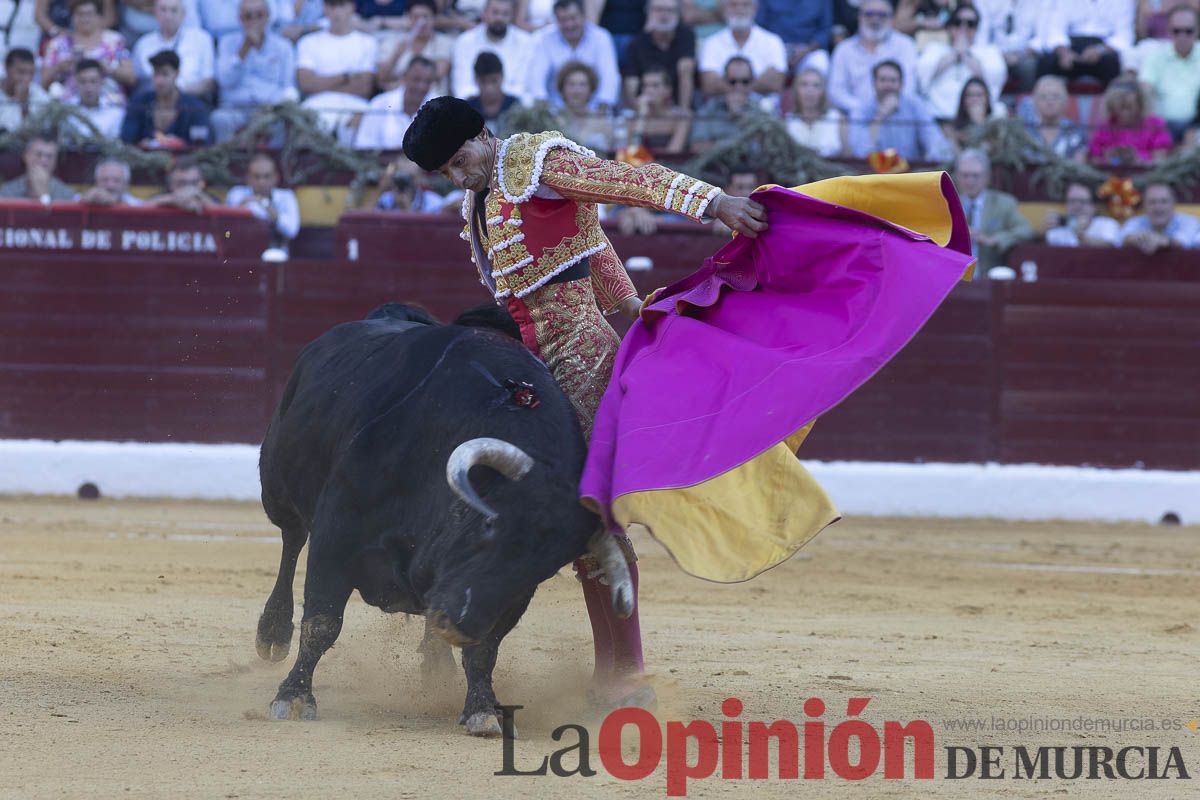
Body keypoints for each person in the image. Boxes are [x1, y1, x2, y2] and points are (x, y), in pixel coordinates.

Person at [400, 95, 767, 710]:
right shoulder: (481, 196)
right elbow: (588, 243)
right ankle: (451, 626)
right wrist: (630, 307)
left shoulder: (537, 162)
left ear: (485, 136)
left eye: (460, 161)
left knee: (593, 518)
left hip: (581, 365)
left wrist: (714, 205)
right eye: (446, 173)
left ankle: (623, 672)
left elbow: (631, 182)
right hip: (526, 369)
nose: (457, 177)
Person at [213, 0, 297, 143]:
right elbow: (224, 81)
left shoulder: (283, 47)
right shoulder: (226, 43)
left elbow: (289, 87)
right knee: (219, 119)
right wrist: (243, 50)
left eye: (259, 15)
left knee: (283, 121)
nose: (254, 21)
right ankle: (223, 163)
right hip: (234, 108)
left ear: (268, 17)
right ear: (240, 18)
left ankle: (277, 163)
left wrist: (273, 109)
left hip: (270, 109)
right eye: (248, 16)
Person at [296, 0, 378, 145]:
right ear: (325, 9)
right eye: (332, 6)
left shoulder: (368, 42)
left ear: (352, 8)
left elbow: (364, 88)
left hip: (355, 106)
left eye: (342, 5)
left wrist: (320, 82)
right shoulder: (308, 42)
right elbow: (306, 84)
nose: (337, 12)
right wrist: (346, 77)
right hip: (316, 106)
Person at [847, 59, 952, 162]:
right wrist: (879, 116)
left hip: (910, 173)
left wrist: (933, 158)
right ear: (874, 83)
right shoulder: (861, 109)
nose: (888, 85)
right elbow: (860, 151)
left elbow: (934, 141)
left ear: (902, 84)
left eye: (893, 80)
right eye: (883, 80)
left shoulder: (915, 105)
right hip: (873, 174)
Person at [915, 3, 1006, 122]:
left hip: (977, 119)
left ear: (977, 29)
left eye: (970, 24)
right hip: (937, 116)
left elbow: (990, 85)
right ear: (950, 27)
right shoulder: (934, 49)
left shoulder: (990, 52)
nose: (964, 28)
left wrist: (966, 56)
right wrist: (954, 54)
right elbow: (923, 79)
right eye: (958, 22)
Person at [524, 0, 620, 108]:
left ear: (583, 16)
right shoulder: (544, 38)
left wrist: (602, 108)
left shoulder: (601, 38)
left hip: (594, 111)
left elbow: (609, 77)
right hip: (554, 112)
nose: (569, 25)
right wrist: (543, 110)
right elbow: (536, 79)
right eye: (563, 20)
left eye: (573, 18)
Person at [827, 0, 918, 114]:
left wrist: (888, 107)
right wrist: (863, 110)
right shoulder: (844, 50)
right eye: (869, 14)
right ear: (859, 17)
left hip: (897, 114)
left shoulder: (905, 45)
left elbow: (909, 87)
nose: (875, 19)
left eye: (882, 15)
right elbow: (836, 91)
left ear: (891, 19)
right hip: (854, 116)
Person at [41, 0, 137, 106]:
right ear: (72, 17)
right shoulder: (58, 44)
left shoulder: (115, 41)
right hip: (68, 106)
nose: (84, 19)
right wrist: (59, 68)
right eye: (80, 14)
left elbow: (131, 78)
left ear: (99, 17)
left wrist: (107, 68)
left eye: (89, 14)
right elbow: (43, 83)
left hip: (110, 104)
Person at [954, 147, 1033, 273]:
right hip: (955, 276)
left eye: (975, 175)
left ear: (987, 178)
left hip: (989, 277)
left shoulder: (1003, 203)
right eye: (965, 175)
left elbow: (1026, 230)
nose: (970, 181)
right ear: (957, 176)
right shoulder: (948, 204)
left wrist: (994, 240)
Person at [120, 49, 212, 146]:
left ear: (176, 74)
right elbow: (126, 140)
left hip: (185, 159)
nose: (159, 81)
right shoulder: (139, 103)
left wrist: (180, 145)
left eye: (165, 74)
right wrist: (141, 144)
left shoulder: (195, 107)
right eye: (156, 74)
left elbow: (203, 146)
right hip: (144, 159)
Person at [698, 0, 787, 97]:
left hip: (764, 108)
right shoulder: (711, 43)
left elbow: (776, 82)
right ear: (724, 9)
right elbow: (709, 85)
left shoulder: (772, 42)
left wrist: (734, 89)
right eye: (733, 4)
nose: (739, 9)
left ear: (755, 9)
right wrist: (751, 87)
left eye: (746, 4)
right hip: (721, 108)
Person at [1138, 4, 1200, 142]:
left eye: (1188, 31)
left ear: (1198, 31)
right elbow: (1145, 90)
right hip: (1161, 127)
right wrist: (1152, 127)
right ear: (1169, 31)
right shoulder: (1155, 56)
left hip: (1196, 126)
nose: (1182, 36)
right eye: (1176, 31)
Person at [1035, 0, 1132, 85]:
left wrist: (1100, 50)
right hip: (1070, 46)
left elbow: (1124, 35)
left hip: (1104, 48)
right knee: (1046, 62)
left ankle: (1111, 104)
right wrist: (1064, 52)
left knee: (1112, 63)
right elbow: (1055, 29)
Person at [621, 0, 696, 110]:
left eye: (670, 10)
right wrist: (638, 109)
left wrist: (683, 111)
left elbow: (686, 70)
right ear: (648, 12)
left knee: (685, 67)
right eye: (658, 10)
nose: (664, 15)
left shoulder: (686, 36)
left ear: (678, 14)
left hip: (676, 104)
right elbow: (631, 83)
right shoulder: (636, 44)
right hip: (646, 103)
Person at [131, 0, 214, 99]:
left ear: (183, 14)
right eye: (163, 10)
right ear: (155, 12)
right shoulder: (143, 44)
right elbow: (136, 81)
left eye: (173, 10)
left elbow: (209, 82)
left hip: (190, 102)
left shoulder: (201, 39)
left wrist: (175, 93)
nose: (168, 16)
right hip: (152, 103)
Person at [451, 0, 532, 100]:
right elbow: (462, 87)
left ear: (512, 16)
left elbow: (523, 86)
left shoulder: (525, 42)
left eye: (505, 14)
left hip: (513, 106)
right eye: (495, 13)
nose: (499, 18)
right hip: (473, 105)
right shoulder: (465, 41)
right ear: (484, 14)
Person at [355, 56, 436, 149]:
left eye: (427, 82)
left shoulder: (438, 108)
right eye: (416, 80)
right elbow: (365, 145)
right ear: (404, 77)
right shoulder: (380, 103)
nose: (422, 86)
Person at [227, 153, 300, 253]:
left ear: (276, 177)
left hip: (274, 252)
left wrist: (263, 203)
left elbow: (291, 230)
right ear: (248, 178)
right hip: (241, 251)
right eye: (257, 176)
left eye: (267, 176)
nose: (261, 182)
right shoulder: (236, 193)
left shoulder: (286, 196)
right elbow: (230, 225)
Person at [376, 0, 454, 94]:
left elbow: (439, 72)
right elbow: (381, 77)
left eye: (425, 17)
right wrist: (396, 55)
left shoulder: (444, 42)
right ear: (408, 18)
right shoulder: (393, 41)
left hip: (432, 99)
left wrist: (399, 84)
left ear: (434, 19)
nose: (421, 22)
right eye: (416, 17)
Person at [1087, 79, 1172, 165]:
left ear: (1140, 104)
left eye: (1129, 107)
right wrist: (1114, 161)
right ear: (1111, 106)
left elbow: (1160, 161)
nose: (1125, 113)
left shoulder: (1155, 125)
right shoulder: (1105, 126)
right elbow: (1096, 161)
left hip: (1146, 175)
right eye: (1121, 107)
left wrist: (1137, 160)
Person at [690, 55, 762, 152]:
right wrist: (734, 147)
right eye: (732, 82)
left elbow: (765, 148)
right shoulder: (708, 110)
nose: (738, 87)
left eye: (745, 82)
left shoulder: (762, 112)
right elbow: (697, 146)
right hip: (715, 166)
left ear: (752, 83)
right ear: (724, 82)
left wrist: (741, 117)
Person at [974, 0, 1042, 92]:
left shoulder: (1037, 3)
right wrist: (998, 54)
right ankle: (990, 101)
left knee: (1028, 66)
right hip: (995, 53)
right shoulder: (986, 2)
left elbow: (1040, 37)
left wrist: (1021, 55)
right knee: (990, 65)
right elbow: (982, 35)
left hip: (1024, 54)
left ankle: (1024, 101)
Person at [754, 0, 833, 76]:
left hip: (807, 50)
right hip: (774, 48)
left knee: (820, 62)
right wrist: (777, 49)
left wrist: (806, 50)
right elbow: (759, 26)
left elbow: (825, 29)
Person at [783, 66, 848, 157]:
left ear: (823, 91)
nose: (810, 91)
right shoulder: (786, 122)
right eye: (804, 84)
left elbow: (848, 158)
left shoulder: (839, 120)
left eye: (816, 85)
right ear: (796, 90)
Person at [1020, 74, 1086, 161]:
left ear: (1065, 101)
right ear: (1034, 101)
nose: (1049, 101)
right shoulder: (1023, 131)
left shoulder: (1075, 131)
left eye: (1055, 96)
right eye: (1043, 97)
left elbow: (1079, 169)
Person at [1119, 181, 1200, 252]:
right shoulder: (1134, 222)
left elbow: (1184, 242)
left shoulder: (1190, 222)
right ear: (1143, 205)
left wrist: (1162, 242)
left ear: (1173, 204)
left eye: (1164, 201)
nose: (1158, 207)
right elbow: (1123, 239)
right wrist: (1138, 239)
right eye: (1152, 202)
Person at [553, 60, 614, 151]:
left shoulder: (603, 122)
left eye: (582, 85)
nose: (577, 91)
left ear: (591, 90)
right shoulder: (553, 121)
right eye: (571, 84)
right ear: (562, 89)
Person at [628, 66, 690, 153]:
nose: (648, 90)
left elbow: (673, 153)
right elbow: (632, 151)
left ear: (668, 90)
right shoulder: (634, 119)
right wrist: (641, 116)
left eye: (655, 85)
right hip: (640, 166)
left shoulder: (680, 119)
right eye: (645, 86)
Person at [0, 133, 78, 202]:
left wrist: (43, 195)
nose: (43, 161)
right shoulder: (7, 193)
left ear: (55, 162)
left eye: (49, 156)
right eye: (38, 154)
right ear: (26, 156)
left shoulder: (66, 194)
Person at [1042, 180, 1121, 247]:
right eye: (1072, 201)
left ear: (1094, 206)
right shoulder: (1060, 227)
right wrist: (1044, 232)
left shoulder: (1107, 224)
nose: (1076, 206)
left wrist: (1082, 237)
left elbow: (1110, 246)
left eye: (1082, 201)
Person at [64, 59, 125, 138]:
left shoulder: (115, 111)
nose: (88, 88)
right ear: (76, 82)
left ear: (102, 81)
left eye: (93, 81)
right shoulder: (65, 110)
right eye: (83, 82)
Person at [944, 76, 1003, 151]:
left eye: (979, 95)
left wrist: (979, 122)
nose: (974, 100)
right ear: (963, 100)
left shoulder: (998, 125)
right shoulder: (952, 128)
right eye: (969, 95)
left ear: (987, 99)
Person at [466, 52, 519, 132]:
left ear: (502, 77)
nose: (489, 88)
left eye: (494, 81)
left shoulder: (515, 107)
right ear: (476, 79)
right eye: (483, 81)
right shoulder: (468, 110)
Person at [0, 48, 49, 132]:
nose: (26, 79)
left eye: (31, 73)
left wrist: (24, 105)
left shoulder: (41, 97)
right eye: (21, 72)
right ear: (7, 68)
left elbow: (35, 134)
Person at [146, 160, 221, 211]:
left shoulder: (210, 198)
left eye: (193, 183)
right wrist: (172, 199)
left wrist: (201, 197)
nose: (188, 188)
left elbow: (225, 221)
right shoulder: (159, 198)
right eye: (181, 183)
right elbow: (139, 212)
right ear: (170, 183)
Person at [79, 157, 143, 205]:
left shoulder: (138, 206)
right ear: (96, 181)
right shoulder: (81, 200)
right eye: (105, 180)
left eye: (116, 180)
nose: (110, 185)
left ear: (126, 183)